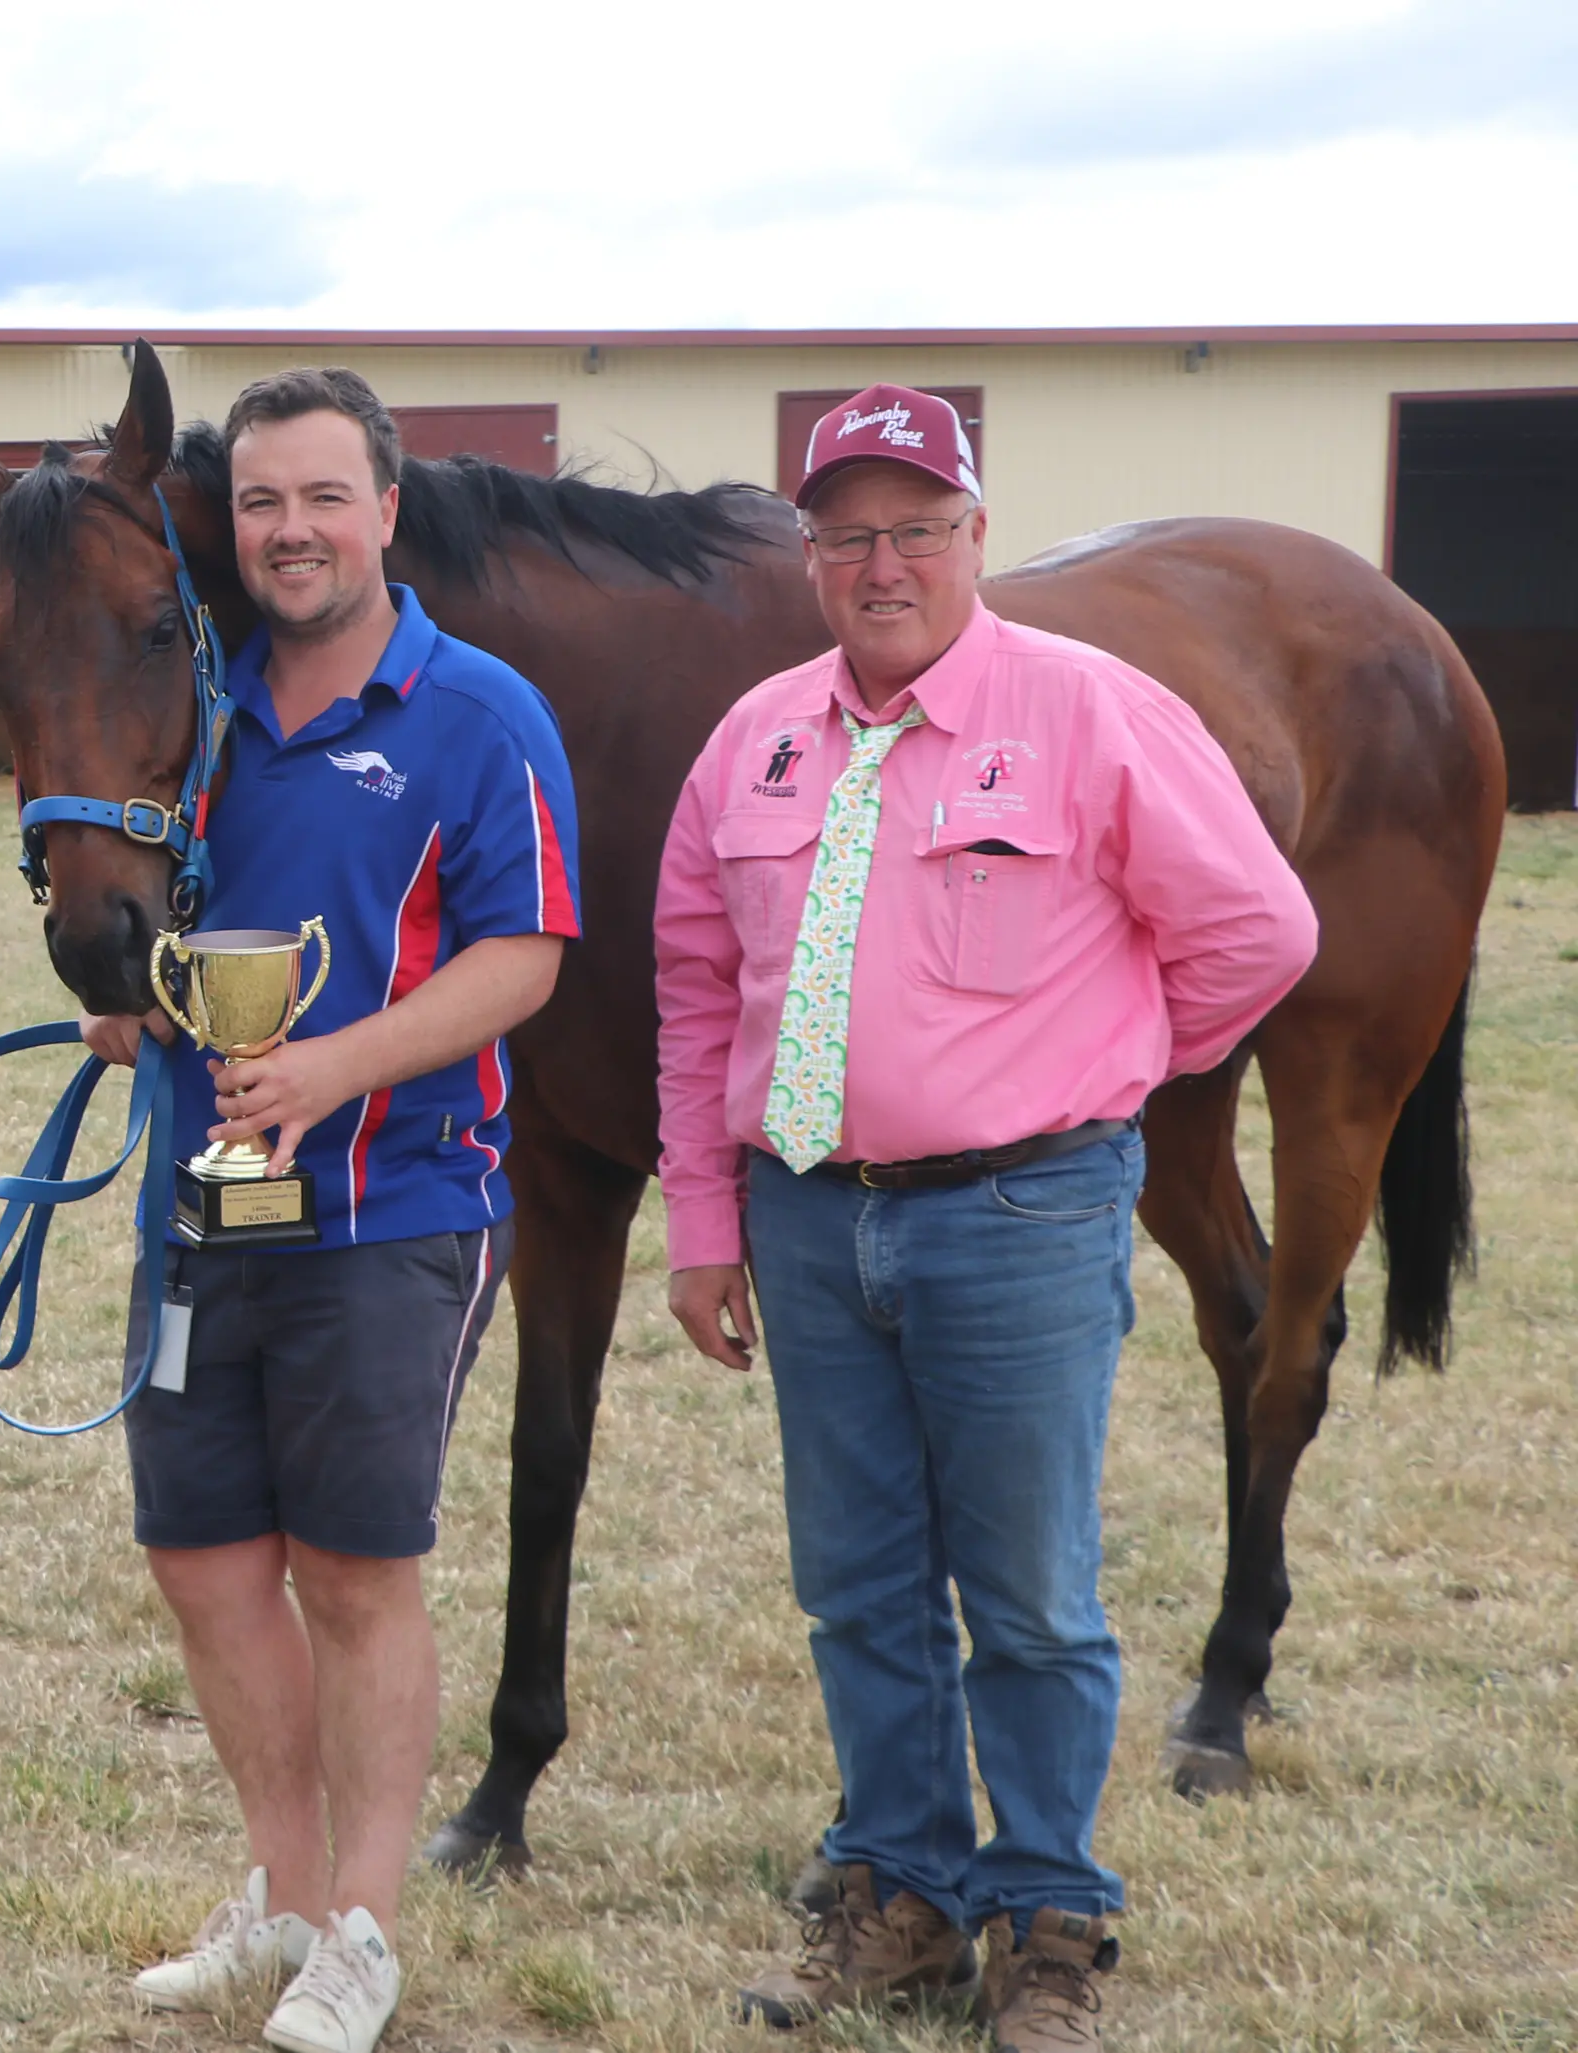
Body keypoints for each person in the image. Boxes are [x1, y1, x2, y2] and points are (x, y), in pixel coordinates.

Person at [654, 385, 1318, 2051]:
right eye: (849, 534)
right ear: (810, 553)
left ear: (973, 534)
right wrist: (704, 1220)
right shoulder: (757, 741)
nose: (883, 563)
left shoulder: (1091, 711)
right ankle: (901, 1894)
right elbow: (692, 986)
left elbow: (1257, 931)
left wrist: (1108, 1069)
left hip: (1018, 1215)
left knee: (1028, 1597)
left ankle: (1048, 1922)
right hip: (811, 1225)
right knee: (859, 1587)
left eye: (917, 528)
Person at [87, 368, 578, 2053]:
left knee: (356, 1573)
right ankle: (284, 1896)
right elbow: (157, 898)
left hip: (393, 1212)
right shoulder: (199, 710)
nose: (289, 532)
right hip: (195, 1218)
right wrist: (132, 998)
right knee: (206, 1564)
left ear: (386, 510)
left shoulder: (480, 714)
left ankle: (363, 1930)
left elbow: (522, 958)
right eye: (260, 505)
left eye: (321, 498)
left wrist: (325, 1070)